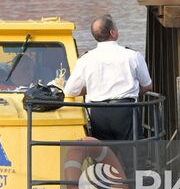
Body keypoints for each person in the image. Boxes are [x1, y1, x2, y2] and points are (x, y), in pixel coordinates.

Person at [63, 15, 153, 143]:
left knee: (104, 155)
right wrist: (131, 89)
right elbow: (148, 86)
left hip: (97, 113)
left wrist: (91, 88)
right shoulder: (132, 56)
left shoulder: (85, 60)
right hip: (125, 110)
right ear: (113, 33)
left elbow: (70, 90)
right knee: (133, 153)